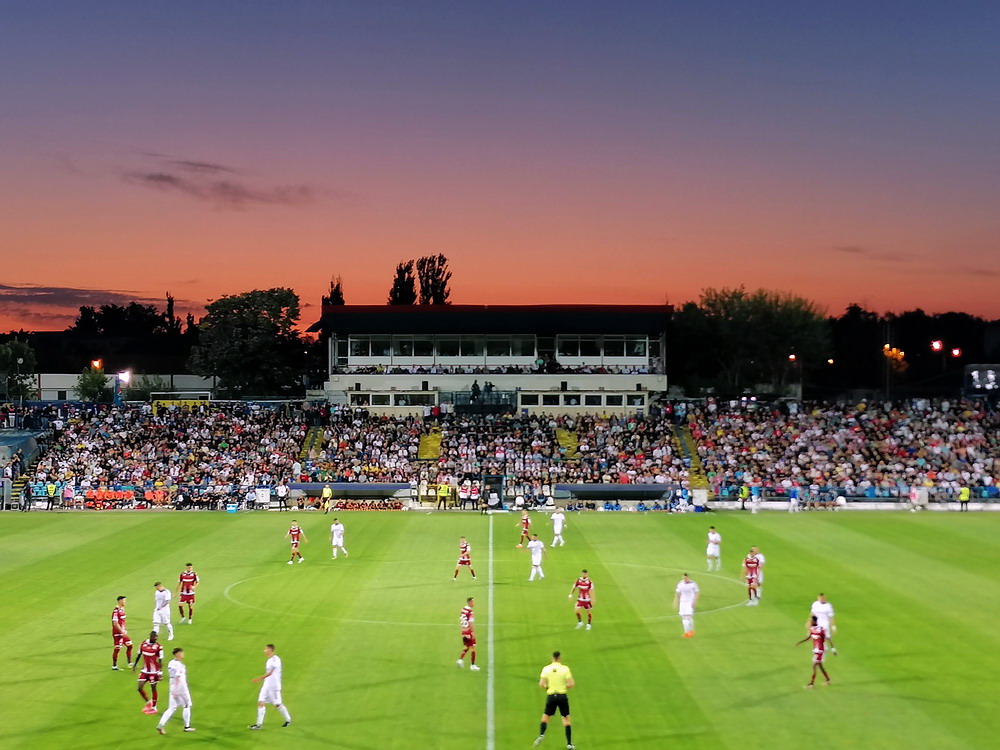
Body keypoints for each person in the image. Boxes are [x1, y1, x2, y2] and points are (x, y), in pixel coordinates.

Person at [533, 651, 575, 749]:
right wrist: (563, 687)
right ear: (559, 658)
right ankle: (569, 743)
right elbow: (571, 684)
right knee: (566, 719)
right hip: (562, 696)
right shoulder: (565, 669)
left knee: (546, 716)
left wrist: (548, 687)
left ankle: (541, 734)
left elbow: (541, 684)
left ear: (552, 658)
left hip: (551, 696)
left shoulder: (546, 669)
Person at [249, 643, 293, 729]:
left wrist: (258, 678)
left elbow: (270, 673)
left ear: (270, 650)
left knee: (277, 704)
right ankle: (259, 724)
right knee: (261, 702)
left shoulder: (275, 660)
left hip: (274, 686)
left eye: (266, 649)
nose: (264, 651)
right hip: (266, 685)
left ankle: (288, 719)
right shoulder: (269, 660)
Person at [156, 647, 195, 734]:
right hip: (180, 688)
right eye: (182, 653)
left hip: (172, 686)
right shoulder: (179, 665)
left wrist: (174, 691)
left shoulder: (171, 663)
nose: (183, 654)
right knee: (187, 705)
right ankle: (187, 726)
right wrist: (177, 690)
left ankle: (161, 725)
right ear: (178, 654)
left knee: (171, 708)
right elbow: (178, 677)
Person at [796, 615, 836, 688]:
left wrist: (833, 649)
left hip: (821, 651)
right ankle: (828, 680)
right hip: (816, 650)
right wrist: (800, 642)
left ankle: (811, 684)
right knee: (820, 666)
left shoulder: (821, 630)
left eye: (811, 621)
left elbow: (828, 638)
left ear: (815, 621)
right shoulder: (812, 629)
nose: (810, 622)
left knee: (814, 665)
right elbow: (808, 638)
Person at [132, 630, 163, 714]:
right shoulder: (143, 644)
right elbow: (139, 655)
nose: (156, 638)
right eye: (154, 637)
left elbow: (160, 660)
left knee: (153, 689)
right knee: (139, 688)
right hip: (145, 671)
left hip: (154, 671)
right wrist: (135, 665)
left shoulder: (158, 647)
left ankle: (154, 707)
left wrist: (160, 672)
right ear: (151, 636)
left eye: (156, 637)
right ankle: (149, 702)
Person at [457, 597, 480, 671]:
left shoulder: (463, 610)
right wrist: (472, 632)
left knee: (467, 647)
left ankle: (460, 660)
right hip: (468, 632)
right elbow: (470, 622)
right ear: (469, 602)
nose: (473, 603)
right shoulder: (470, 612)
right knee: (473, 649)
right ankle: (473, 665)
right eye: (473, 602)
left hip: (463, 631)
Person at [673, 573, 699, 638]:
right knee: (685, 617)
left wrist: (694, 601)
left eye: (685, 578)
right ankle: (690, 632)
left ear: (688, 577)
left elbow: (697, 592)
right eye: (683, 578)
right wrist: (676, 601)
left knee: (687, 617)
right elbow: (678, 593)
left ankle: (687, 632)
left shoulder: (693, 584)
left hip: (690, 602)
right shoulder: (680, 584)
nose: (684, 579)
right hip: (682, 602)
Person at [112, 595, 133, 671]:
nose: (125, 602)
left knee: (130, 646)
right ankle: (114, 666)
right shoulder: (116, 611)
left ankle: (129, 663)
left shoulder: (122, 610)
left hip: (123, 633)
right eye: (124, 600)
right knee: (117, 649)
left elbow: (122, 622)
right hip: (118, 634)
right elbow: (115, 623)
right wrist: (121, 631)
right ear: (120, 601)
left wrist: (125, 629)